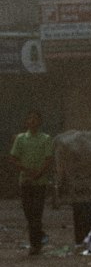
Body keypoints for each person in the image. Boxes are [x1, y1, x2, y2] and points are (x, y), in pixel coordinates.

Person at [9, 110, 54, 256]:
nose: (33, 121)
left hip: (40, 182)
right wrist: (27, 171)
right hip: (26, 182)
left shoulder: (46, 139)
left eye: (36, 119)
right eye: (30, 119)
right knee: (29, 213)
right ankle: (38, 236)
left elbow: (48, 160)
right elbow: (13, 158)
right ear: (27, 122)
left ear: (40, 122)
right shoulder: (21, 139)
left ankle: (35, 245)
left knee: (37, 213)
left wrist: (38, 174)